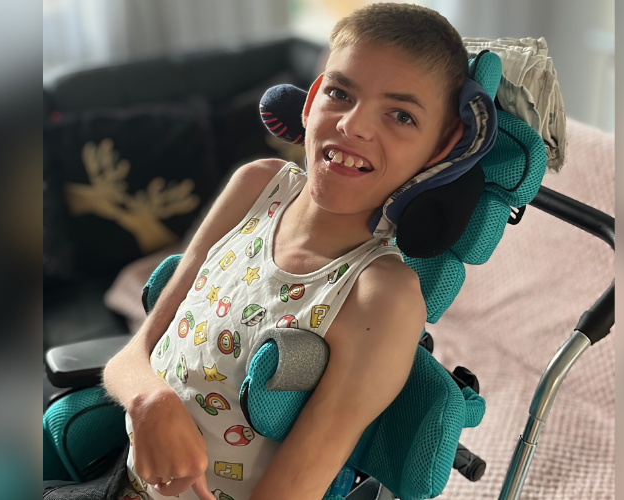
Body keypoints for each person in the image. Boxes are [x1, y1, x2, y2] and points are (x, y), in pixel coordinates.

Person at [104, 3, 468, 499]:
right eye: (340, 93)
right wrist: (148, 399)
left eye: (401, 115)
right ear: (312, 98)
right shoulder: (255, 186)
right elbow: (131, 356)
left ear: (440, 149)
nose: (354, 126)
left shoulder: (381, 296)